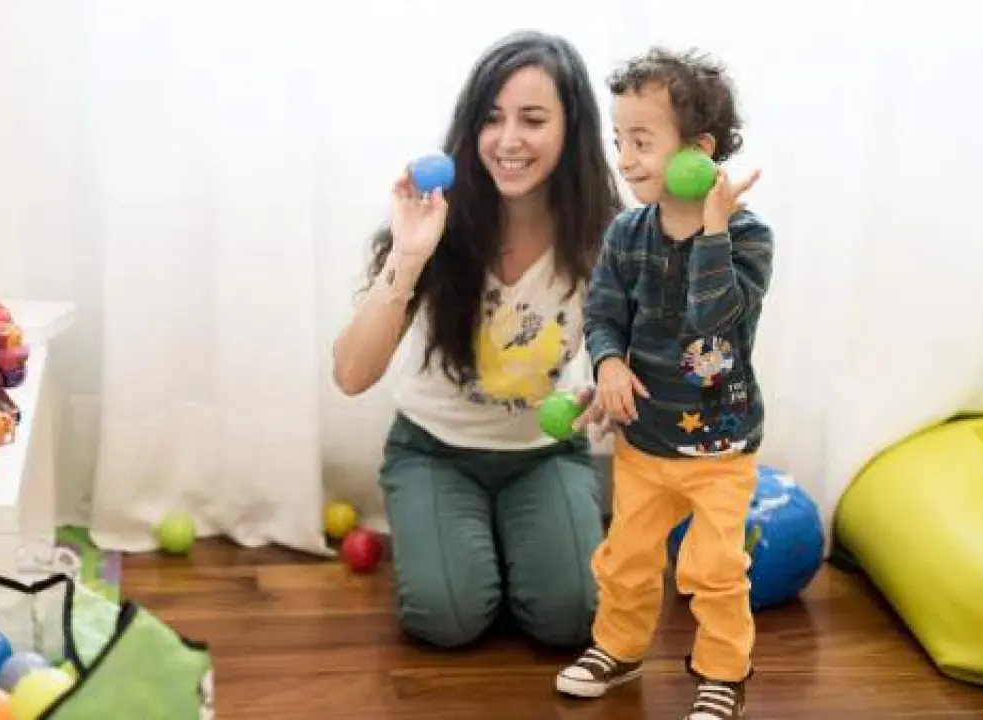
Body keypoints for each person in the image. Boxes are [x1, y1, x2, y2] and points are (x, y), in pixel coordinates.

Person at [331, 30, 622, 650]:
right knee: (446, 620)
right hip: (434, 450)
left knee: (573, 618)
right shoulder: (435, 221)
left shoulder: (607, 236)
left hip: (546, 453)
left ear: (571, 129)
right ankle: (466, 543)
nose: (508, 140)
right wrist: (408, 257)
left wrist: (608, 384)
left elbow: (636, 352)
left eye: (533, 120)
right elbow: (351, 375)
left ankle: (506, 543)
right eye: (492, 119)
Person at [553, 47, 773, 720]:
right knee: (626, 557)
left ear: (698, 151)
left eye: (642, 142)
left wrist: (712, 229)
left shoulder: (749, 238)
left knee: (714, 568)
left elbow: (715, 321)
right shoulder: (626, 234)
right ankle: (618, 650)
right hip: (645, 442)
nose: (624, 159)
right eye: (619, 140)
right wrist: (608, 363)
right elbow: (603, 314)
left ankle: (724, 672)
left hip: (720, 449)